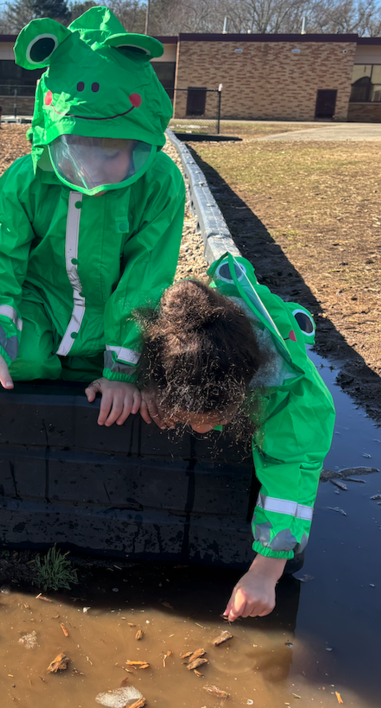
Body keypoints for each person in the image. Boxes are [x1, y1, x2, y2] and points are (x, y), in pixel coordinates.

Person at [0, 7, 186, 425]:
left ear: (139, 140)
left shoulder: (159, 184)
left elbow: (145, 280)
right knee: (16, 365)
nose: (91, 167)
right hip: (40, 304)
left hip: (112, 313)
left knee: (131, 389)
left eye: (111, 150)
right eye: (77, 148)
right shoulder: (28, 178)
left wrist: (121, 372)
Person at [136, 252, 336, 621]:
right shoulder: (187, 334)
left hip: (288, 405)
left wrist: (265, 572)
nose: (199, 431)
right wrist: (149, 389)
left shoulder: (297, 406)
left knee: (285, 461)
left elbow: (290, 486)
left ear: (241, 396)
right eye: (187, 419)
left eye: (212, 420)